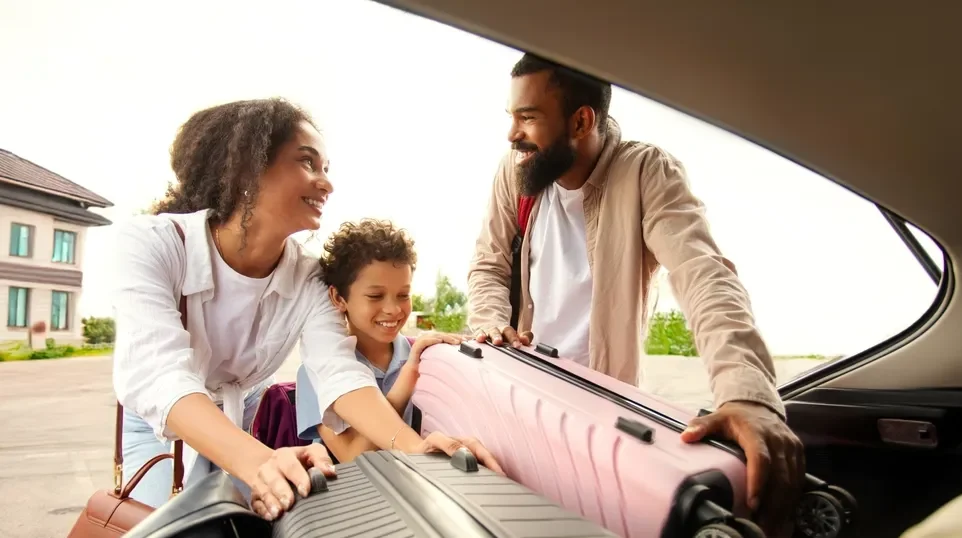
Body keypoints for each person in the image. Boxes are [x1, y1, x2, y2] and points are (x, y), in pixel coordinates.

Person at [111, 98, 501, 522]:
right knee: (170, 526)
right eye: (307, 162)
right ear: (247, 169)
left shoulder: (307, 276)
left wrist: (414, 448)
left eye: (326, 168)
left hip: (239, 414)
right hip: (161, 425)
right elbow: (159, 374)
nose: (326, 183)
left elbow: (338, 373)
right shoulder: (152, 243)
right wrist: (261, 462)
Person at [467, 53, 803, 535]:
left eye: (528, 117)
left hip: (603, 410)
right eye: (511, 116)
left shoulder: (646, 172)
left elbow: (705, 276)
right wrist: (489, 323)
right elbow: (487, 265)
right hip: (524, 393)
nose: (511, 133)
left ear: (581, 120)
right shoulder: (516, 172)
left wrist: (749, 397)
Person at [294, 219, 461, 462]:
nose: (393, 309)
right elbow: (352, 456)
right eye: (375, 296)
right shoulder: (314, 374)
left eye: (403, 295)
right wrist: (407, 379)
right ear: (338, 298)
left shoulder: (426, 357)